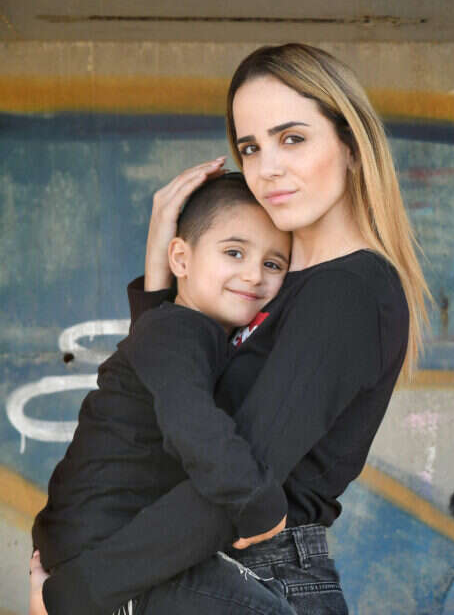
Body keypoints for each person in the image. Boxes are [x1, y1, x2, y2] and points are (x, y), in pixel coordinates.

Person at [32, 43, 430, 615]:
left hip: (255, 578)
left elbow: (235, 487)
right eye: (250, 147)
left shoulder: (348, 291)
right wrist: (161, 279)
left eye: (292, 138)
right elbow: (169, 409)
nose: (268, 168)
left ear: (349, 144)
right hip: (190, 568)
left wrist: (74, 594)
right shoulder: (277, 281)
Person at [32, 173, 294, 614]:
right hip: (100, 554)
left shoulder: (182, 331)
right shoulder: (175, 331)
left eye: (273, 264)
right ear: (181, 259)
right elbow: (193, 428)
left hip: (108, 550)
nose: (254, 275)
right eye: (234, 252)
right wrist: (260, 504)